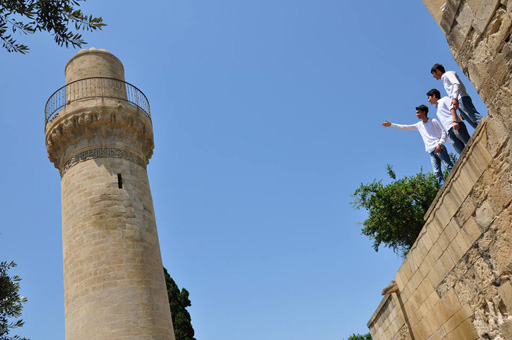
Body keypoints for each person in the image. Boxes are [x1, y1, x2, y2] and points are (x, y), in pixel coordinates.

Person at [382, 104, 453, 185]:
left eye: (418, 112)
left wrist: (440, 144)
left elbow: (443, 132)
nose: (416, 114)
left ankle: (456, 179)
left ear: (424, 112)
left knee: (448, 165)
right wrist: (391, 125)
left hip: (439, 147)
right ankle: (443, 188)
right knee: (437, 172)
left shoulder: (433, 121)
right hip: (431, 151)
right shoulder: (419, 125)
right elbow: (405, 127)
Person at [431, 63, 483, 129]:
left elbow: (456, 83)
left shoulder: (448, 74)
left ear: (438, 71)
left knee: (475, 117)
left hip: (461, 98)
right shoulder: (444, 80)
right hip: (458, 101)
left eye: (434, 73)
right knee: (474, 124)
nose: (434, 76)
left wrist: (455, 98)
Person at [427, 88, 470, 154]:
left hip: (455, 125)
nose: (428, 100)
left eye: (428, 97)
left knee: (469, 143)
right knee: (462, 153)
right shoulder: (437, 109)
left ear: (434, 96)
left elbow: (452, 108)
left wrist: (455, 121)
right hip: (449, 131)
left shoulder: (444, 99)